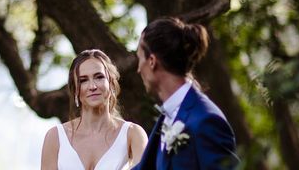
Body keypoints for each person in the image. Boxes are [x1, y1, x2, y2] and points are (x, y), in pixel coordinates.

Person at [132, 17, 239, 170]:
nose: (138, 69)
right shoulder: (167, 117)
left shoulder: (206, 120)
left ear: (151, 61)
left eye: (139, 58)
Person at [41, 49, 148, 170]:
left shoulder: (133, 134)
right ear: (75, 90)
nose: (92, 86)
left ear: (111, 83)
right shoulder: (55, 137)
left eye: (99, 77)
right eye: (83, 80)